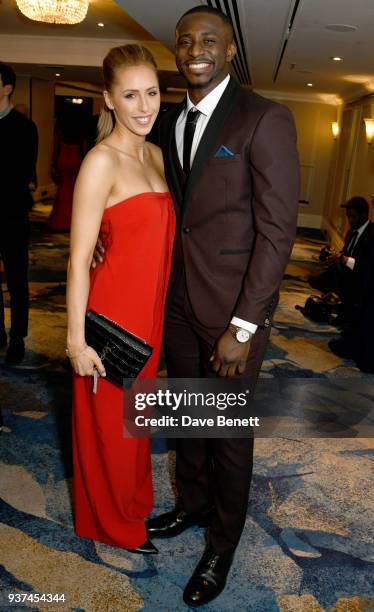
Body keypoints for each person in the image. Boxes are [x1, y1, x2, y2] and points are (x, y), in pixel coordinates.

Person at [145, 6, 300, 607]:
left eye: (209, 39)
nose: (195, 49)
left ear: (231, 49)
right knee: (187, 418)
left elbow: (277, 232)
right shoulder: (172, 119)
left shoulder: (265, 118)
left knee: (228, 435)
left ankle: (223, 542)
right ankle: (192, 505)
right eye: (185, 41)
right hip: (180, 300)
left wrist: (245, 324)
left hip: (235, 311)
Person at [66, 44, 175, 554]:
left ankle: (133, 509)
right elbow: (78, 258)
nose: (144, 106)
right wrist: (75, 340)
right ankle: (112, 523)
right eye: (130, 95)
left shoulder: (154, 153)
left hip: (148, 316)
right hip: (111, 320)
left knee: (138, 424)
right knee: (111, 429)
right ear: (108, 99)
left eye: (151, 92)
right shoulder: (99, 162)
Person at [0, 62, 38, 365]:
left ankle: (18, 337)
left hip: (12, 216)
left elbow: (23, 172)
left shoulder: (24, 127)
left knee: (16, 280)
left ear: (7, 88)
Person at [323, 197, 374, 358]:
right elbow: (346, 253)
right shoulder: (352, 232)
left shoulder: (371, 235)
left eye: (354, 216)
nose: (351, 220)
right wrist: (338, 257)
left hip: (360, 278)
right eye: (349, 217)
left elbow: (365, 267)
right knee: (319, 278)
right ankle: (344, 312)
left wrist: (345, 261)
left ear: (365, 214)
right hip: (350, 273)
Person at [48, 114, 86, 231]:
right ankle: (72, 222)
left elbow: (56, 148)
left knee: (63, 193)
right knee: (73, 194)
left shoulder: (60, 132)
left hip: (63, 159)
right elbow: (83, 150)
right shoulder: (81, 133)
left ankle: (60, 222)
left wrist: (53, 164)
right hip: (75, 160)